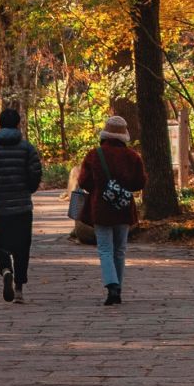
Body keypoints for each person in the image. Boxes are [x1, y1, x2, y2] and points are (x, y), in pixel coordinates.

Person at [77, 115, 146, 305]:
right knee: (120, 250)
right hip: (123, 207)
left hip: (100, 207)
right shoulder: (132, 156)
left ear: (105, 133)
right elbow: (140, 182)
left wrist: (101, 189)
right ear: (125, 134)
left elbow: (83, 181)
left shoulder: (94, 155)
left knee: (105, 249)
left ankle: (111, 286)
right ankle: (119, 288)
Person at [0, 106, 43, 303]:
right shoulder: (27, 148)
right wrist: (28, 190)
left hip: (1, 207)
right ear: (18, 124)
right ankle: (19, 288)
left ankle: (6, 269)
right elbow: (36, 173)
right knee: (23, 246)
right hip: (23, 206)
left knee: (0, 243)